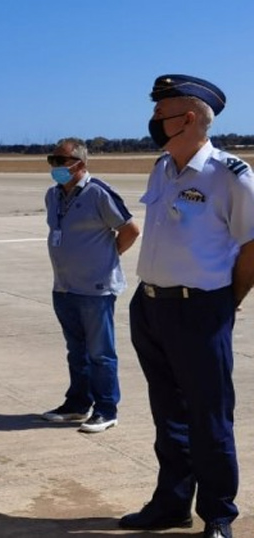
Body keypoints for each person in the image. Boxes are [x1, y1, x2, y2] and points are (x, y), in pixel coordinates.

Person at [121, 75, 254, 538]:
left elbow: (252, 245)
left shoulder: (230, 174)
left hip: (200, 310)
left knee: (209, 416)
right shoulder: (162, 168)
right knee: (168, 414)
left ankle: (218, 514)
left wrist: (227, 302)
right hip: (150, 307)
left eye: (161, 113)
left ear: (189, 118)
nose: (154, 120)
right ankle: (171, 503)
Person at [40, 138, 140, 433]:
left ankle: (106, 409)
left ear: (80, 164)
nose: (55, 167)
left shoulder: (98, 192)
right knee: (77, 351)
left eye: (61, 161)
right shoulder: (53, 195)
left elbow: (130, 230)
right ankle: (77, 404)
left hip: (95, 289)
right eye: (52, 161)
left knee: (100, 353)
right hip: (64, 287)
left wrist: (107, 257)